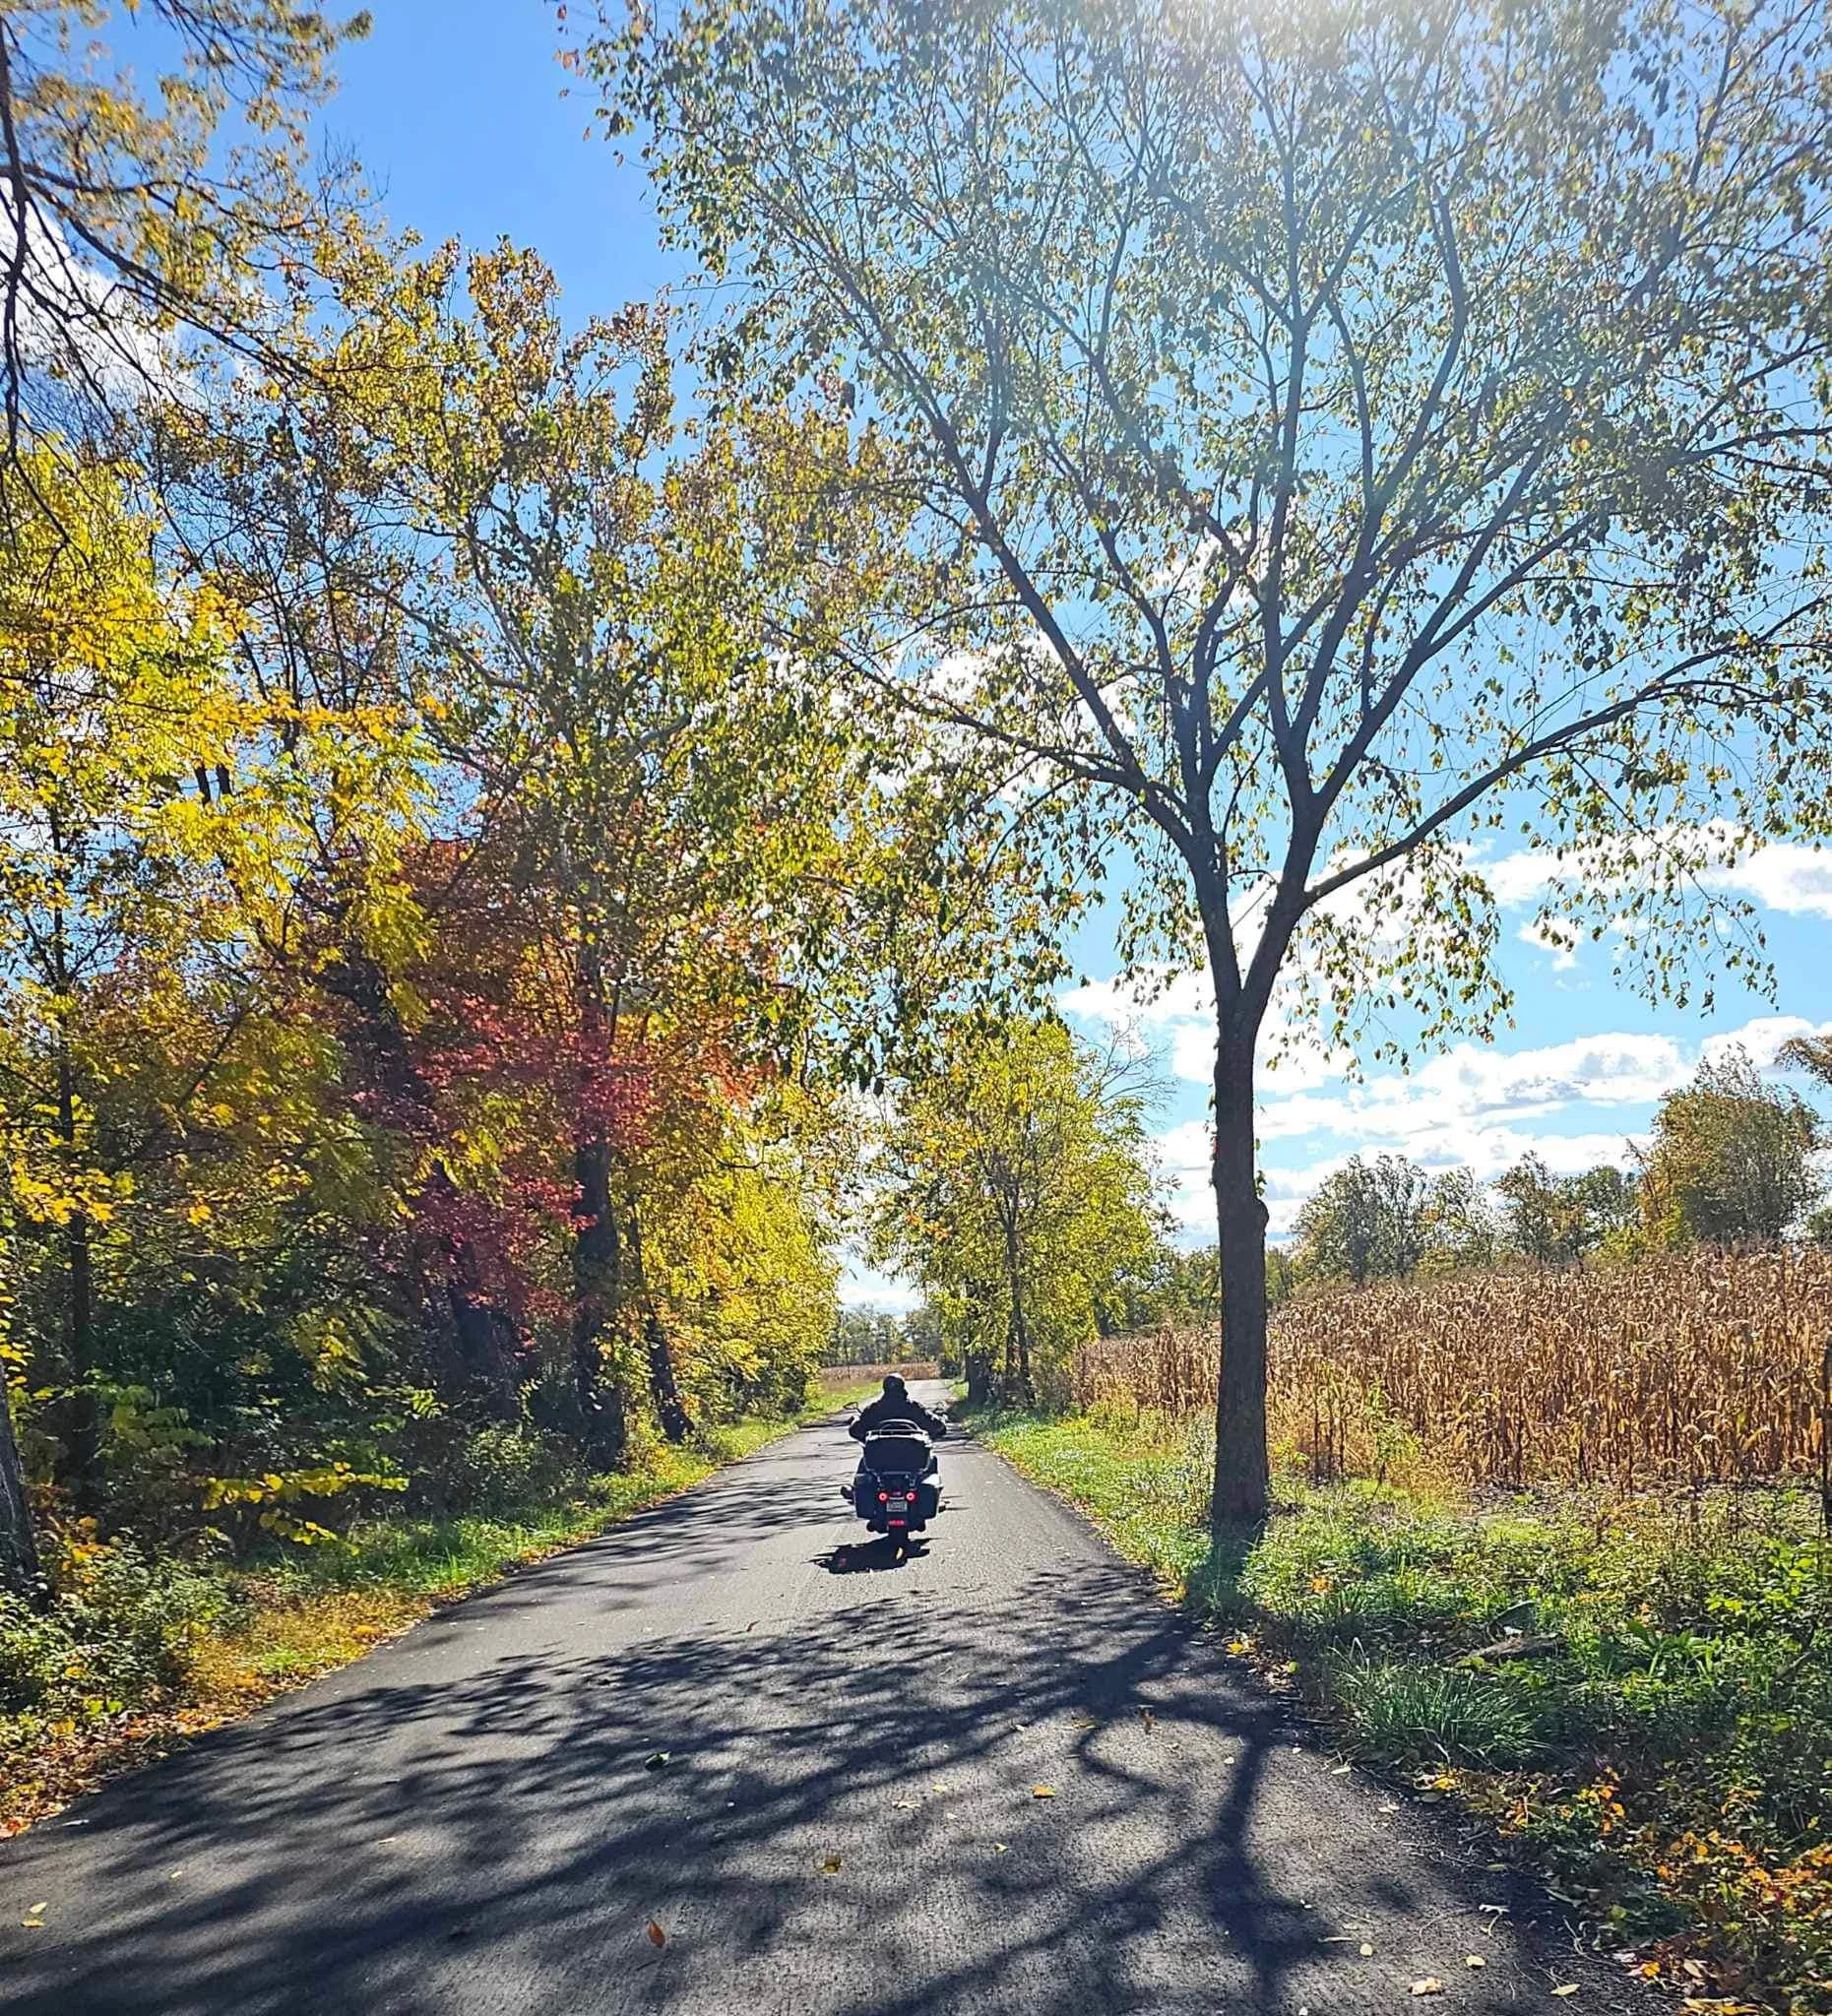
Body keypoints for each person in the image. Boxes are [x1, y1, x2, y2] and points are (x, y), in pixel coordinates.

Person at [849, 1373, 947, 1443]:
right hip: (912, 1460)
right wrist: (941, 1419)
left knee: (863, 1465)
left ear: (885, 1388)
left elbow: (856, 1431)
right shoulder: (913, 1407)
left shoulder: (874, 1409)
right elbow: (936, 1426)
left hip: (879, 1461)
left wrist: (856, 1419)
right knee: (932, 1461)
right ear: (902, 1387)